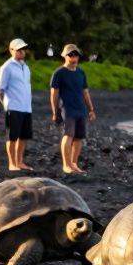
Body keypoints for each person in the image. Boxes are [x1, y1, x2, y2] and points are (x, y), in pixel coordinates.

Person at [49, 43, 97, 174]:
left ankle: (73, 163)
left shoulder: (81, 72)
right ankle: (66, 165)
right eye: (71, 54)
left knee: (79, 137)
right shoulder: (59, 73)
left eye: (76, 54)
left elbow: (85, 92)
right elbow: (54, 94)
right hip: (66, 109)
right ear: (65, 56)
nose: (74, 57)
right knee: (68, 134)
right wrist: (54, 111)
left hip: (80, 109)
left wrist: (91, 109)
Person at [0, 38, 34, 172]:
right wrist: (6, 105)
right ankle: (12, 163)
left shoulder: (26, 67)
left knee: (24, 136)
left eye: (23, 49)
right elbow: (0, 88)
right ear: (11, 50)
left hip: (26, 107)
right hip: (13, 107)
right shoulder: (6, 67)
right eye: (18, 49)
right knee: (12, 137)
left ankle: (20, 161)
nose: (22, 52)